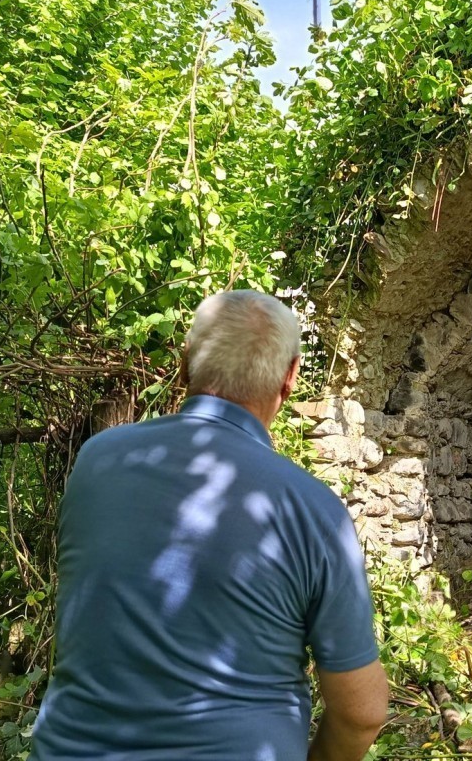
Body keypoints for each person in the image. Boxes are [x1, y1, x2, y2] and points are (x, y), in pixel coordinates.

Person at [32, 290, 388, 761]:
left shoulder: (97, 460)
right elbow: (362, 712)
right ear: (290, 377)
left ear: (184, 365)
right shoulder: (313, 509)